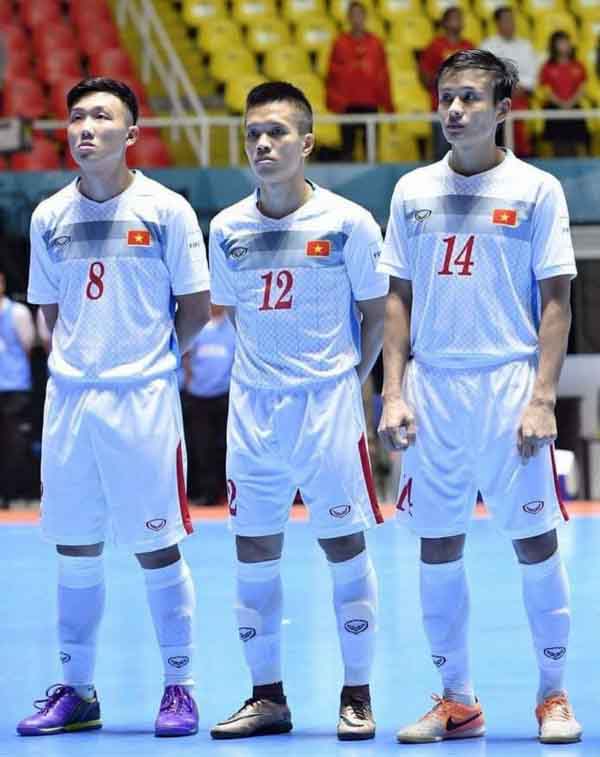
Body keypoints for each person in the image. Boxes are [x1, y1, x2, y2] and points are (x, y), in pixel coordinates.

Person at [377, 50, 582, 745]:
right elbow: (397, 298)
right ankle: (457, 701)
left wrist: (543, 396)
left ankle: (552, 695)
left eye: (470, 97)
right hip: (433, 390)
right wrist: (393, 392)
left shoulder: (536, 189)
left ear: (503, 109)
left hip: (508, 385)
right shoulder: (411, 190)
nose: (456, 109)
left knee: (535, 543)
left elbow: (556, 301)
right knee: (437, 545)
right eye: (447, 97)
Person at [18, 77, 211, 738]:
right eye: (76, 117)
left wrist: (146, 358)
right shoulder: (48, 216)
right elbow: (51, 313)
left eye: (101, 116)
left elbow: (195, 309)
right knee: (75, 548)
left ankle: (180, 686)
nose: (85, 128)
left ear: (131, 133)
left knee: (157, 546)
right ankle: (77, 691)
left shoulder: (165, 210)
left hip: (143, 400)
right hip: (71, 401)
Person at [208, 81, 389, 741]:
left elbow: (377, 316)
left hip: (327, 406)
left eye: (277, 132)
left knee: (344, 546)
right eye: (254, 133)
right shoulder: (226, 228)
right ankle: (267, 697)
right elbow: (232, 314)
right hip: (253, 411)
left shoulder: (349, 222)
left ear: (307, 143)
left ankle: (357, 694)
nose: (263, 144)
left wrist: (346, 382)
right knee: (254, 550)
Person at [326, 0, 394, 161]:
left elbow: (383, 74)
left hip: (370, 103)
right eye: (353, 15)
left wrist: (388, 104)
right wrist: (335, 102)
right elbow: (332, 74)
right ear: (348, 18)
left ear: (365, 17)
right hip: (347, 104)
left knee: (371, 152)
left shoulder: (376, 43)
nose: (356, 18)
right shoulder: (339, 43)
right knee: (347, 152)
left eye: (359, 14)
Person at [182, 303, 235, 505]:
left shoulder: (232, 326)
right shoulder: (199, 326)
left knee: (227, 446)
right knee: (202, 447)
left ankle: (227, 491)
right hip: (199, 395)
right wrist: (188, 379)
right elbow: (185, 355)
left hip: (224, 394)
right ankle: (207, 492)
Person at [0, 268, 35, 507]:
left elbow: (28, 346)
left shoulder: (18, 312)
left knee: (15, 444)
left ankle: (12, 494)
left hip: (14, 386)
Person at [481, 6, 537, 156]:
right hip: (497, 97)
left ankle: (524, 156)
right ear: (497, 23)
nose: (510, 24)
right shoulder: (488, 46)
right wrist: (506, 88)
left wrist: (520, 87)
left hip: (522, 95)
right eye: (506, 20)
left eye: (512, 20)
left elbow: (532, 73)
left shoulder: (525, 46)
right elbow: (486, 74)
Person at [419, 7, 474, 159]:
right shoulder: (434, 46)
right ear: (444, 23)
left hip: (466, 110)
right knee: (442, 155)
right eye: (454, 18)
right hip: (442, 109)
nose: (459, 21)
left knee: (466, 155)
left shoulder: (469, 46)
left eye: (460, 18)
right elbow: (424, 76)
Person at [540, 31, 589, 156]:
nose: (565, 45)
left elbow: (582, 87)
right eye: (561, 42)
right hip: (554, 108)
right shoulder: (547, 67)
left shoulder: (578, 65)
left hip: (574, 107)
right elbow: (545, 89)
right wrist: (560, 103)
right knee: (558, 145)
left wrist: (571, 102)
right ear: (554, 45)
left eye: (566, 42)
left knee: (579, 143)